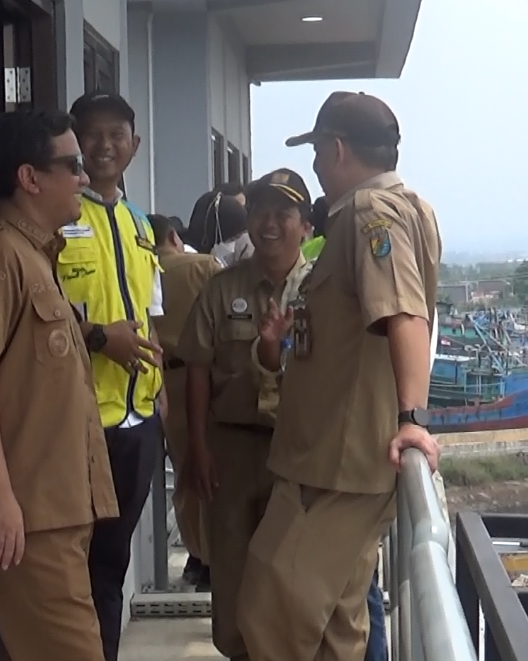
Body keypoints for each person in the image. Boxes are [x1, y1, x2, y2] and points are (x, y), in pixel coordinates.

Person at [238, 91, 443, 661]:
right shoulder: (410, 208)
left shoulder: (366, 213)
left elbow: (403, 312)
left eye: (317, 153)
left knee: (270, 612)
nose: (317, 167)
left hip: (334, 467)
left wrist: (412, 421)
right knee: (337, 627)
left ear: (335, 149)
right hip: (340, 462)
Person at [0, 108, 118, 661]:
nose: (85, 178)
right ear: (29, 178)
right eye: (73, 165)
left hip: (58, 512)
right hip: (28, 517)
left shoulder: (36, 257)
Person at [179, 169, 313, 661]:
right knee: (233, 577)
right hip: (231, 452)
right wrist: (198, 448)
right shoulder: (220, 289)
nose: (270, 223)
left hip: (299, 455)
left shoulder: (321, 292)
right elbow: (197, 369)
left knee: (296, 582)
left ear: (306, 226)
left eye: (284, 213)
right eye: (260, 212)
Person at [59, 90, 168, 661]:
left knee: (114, 564)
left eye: (116, 135)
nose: (104, 145)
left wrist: (162, 409)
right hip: (80, 426)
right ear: (74, 139)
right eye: (91, 134)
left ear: (134, 144)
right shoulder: (59, 218)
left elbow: (153, 318)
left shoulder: (139, 223)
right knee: (76, 572)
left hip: (136, 424)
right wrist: (102, 338)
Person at [299, 193, 390, 661]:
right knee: (354, 590)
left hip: (347, 457)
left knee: (354, 589)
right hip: (323, 452)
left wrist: (412, 418)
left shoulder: (358, 242)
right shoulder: (316, 266)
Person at [148, 214, 222, 590]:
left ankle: (199, 555)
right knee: (213, 470)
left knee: (184, 474)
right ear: (174, 237)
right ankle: (213, 556)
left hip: (159, 382)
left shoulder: (138, 269)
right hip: (205, 378)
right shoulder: (204, 266)